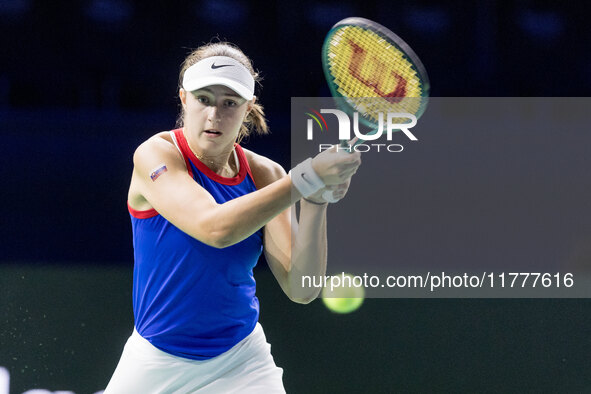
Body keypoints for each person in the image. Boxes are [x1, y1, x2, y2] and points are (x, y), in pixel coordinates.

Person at [104, 41, 361, 393]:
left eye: (229, 103)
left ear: (248, 108)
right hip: (156, 359)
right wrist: (306, 178)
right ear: (183, 100)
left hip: (241, 360)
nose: (214, 115)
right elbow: (215, 228)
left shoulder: (266, 175)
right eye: (203, 99)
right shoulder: (156, 154)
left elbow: (302, 289)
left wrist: (316, 202)